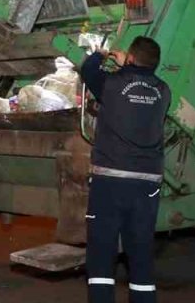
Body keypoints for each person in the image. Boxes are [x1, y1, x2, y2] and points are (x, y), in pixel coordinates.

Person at [79, 36, 171, 303]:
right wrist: (128, 68)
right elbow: (139, 93)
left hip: (110, 181)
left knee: (101, 254)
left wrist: (103, 54)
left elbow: (88, 70)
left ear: (129, 58)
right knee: (141, 254)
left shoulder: (112, 83)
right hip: (147, 184)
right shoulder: (164, 91)